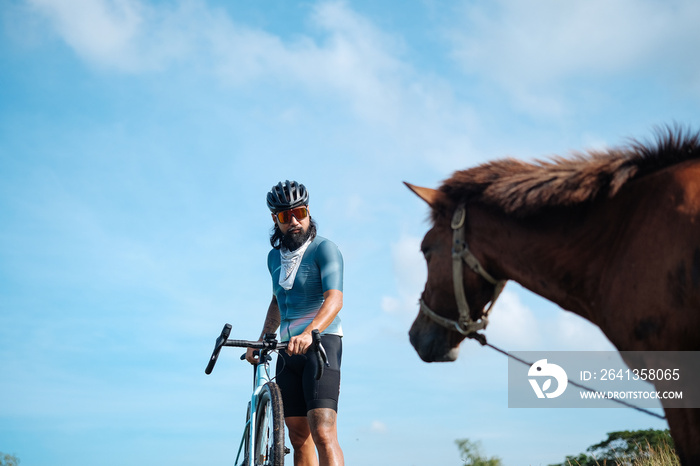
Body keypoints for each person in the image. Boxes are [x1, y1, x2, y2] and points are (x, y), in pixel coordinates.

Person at [246, 180, 345, 466]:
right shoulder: (273, 258)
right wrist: (261, 338)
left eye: (299, 212)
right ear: (275, 221)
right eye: (284, 216)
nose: (293, 221)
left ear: (308, 211)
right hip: (287, 351)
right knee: (297, 436)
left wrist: (310, 332)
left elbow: (334, 300)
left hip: (320, 343)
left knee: (324, 432)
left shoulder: (325, 249)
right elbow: (278, 300)